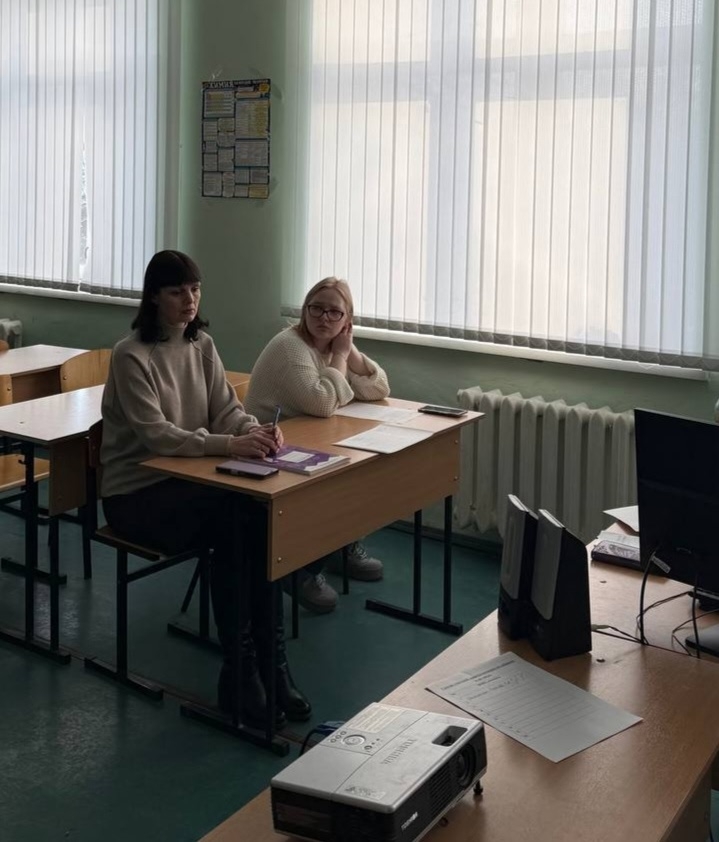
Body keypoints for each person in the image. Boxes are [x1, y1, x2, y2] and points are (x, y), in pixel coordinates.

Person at [99, 249, 311, 729]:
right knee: (235, 522)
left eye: (195, 290)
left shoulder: (202, 345)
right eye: (177, 292)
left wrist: (255, 430)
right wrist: (231, 444)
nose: (189, 300)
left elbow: (226, 410)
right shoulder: (130, 354)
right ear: (154, 297)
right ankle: (241, 671)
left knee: (259, 518)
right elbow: (158, 436)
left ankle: (271, 666)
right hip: (137, 494)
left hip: (189, 484)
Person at [244, 276, 390, 613]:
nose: (324, 318)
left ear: (347, 320)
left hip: (305, 444)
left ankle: (340, 546)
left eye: (334, 312)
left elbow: (379, 388)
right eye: (316, 309)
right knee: (332, 484)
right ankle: (300, 570)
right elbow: (323, 403)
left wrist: (350, 352)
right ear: (305, 310)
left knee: (360, 471)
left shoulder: (332, 346)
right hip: (267, 452)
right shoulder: (291, 346)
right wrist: (340, 357)